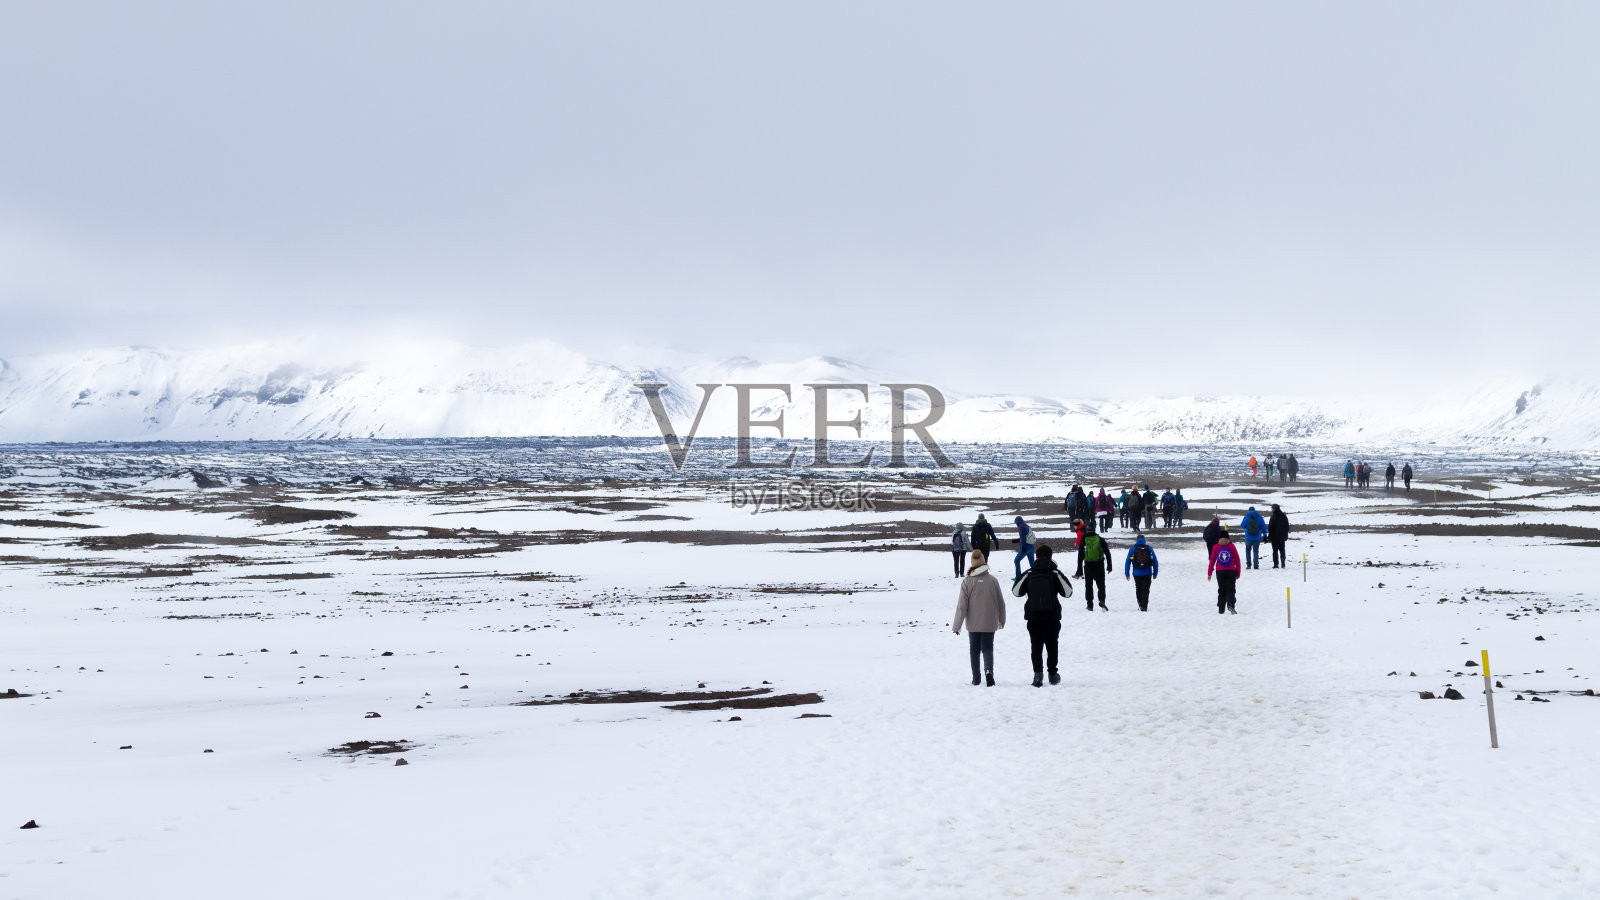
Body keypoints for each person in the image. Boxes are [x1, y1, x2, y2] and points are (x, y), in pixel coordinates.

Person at [1011, 544, 1072, 687]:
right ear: (1051, 556)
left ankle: (1038, 675)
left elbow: (1016, 592)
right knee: (1052, 646)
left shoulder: (1029, 573)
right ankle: (1052, 674)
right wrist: (1057, 573)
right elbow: (1068, 592)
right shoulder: (1054, 573)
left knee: (1036, 646)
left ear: (1036, 556)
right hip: (1052, 617)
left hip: (1034, 617)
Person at [952, 550, 1005, 686]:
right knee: (988, 648)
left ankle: (976, 677)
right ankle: (989, 671)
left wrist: (957, 626)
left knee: (974, 649)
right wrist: (1001, 620)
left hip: (973, 623)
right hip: (989, 621)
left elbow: (961, 606)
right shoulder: (993, 580)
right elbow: (1001, 603)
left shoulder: (967, 582)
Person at [1075, 525, 1113, 611]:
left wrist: (1079, 569)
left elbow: (1080, 556)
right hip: (1099, 565)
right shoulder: (1100, 539)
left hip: (1088, 566)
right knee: (1101, 585)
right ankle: (1102, 600)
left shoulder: (1084, 540)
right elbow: (1107, 553)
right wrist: (1109, 566)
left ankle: (1089, 605)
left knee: (1088, 586)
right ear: (1095, 530)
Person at [1208, 532, 1242, 614]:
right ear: (1228, 538)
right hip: (1231, 571)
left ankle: (1221, 608)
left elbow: (1212, 560)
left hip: (1220, 571)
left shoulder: (1216, 547)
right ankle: (1230, 604)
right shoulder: (1232, 546)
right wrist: (1238, 572)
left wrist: (1209, 573)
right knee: (1231, 589)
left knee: (1221, 589)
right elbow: (1237, 560)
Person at [1123, 533, 1159, 611]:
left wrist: (1127, 573)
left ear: (1137, 540)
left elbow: (1128, 562)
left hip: (1136, 573)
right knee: (1146, 590)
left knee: (1138, 588)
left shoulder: (1132, 549)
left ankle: (1140, 604)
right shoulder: (1149, 548)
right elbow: (1155, 561)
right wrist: (1155, 572)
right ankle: (1144, 606)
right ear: (1144, 540)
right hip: (1147, 573)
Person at [1239, 506, 1267, 570]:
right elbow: (1263, 527)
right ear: (1255, 510)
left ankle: (1248, 565)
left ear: (1249, 510)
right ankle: (1256, 565)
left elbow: (1242, 526)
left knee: (1248, 550)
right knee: (1256, 551)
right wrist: (1265, 535)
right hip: (1257, 537)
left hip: (1248, 537)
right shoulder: (1259, 517)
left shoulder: (1247, 517)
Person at [1011, 515, 1036, 579]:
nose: (1016, 524)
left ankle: (1018, 576)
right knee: (1032, 564)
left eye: (1016, 523)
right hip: (1031, 547)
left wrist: (1023, 547)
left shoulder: (1021, 527)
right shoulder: (1026, 526)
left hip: (1025, 547)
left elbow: (1023, 537)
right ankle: (1036, 575)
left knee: (1016, 560)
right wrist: (1017, 540)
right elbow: (1026, 537)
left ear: (1017, 522)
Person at [1267, 503, 1290, 569]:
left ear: (1275, 509)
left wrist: (1270, 538)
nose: (1271, 509)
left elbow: (1270, 528)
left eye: (1272, 508)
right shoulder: (1284, 516)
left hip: (1274, 538)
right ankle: (1283, 560)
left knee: (1275, 551)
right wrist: (1285, 535)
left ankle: (1276, 564)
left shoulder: (1273, 517)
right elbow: (1287, 527)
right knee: (1282, 550)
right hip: (1282, 537)